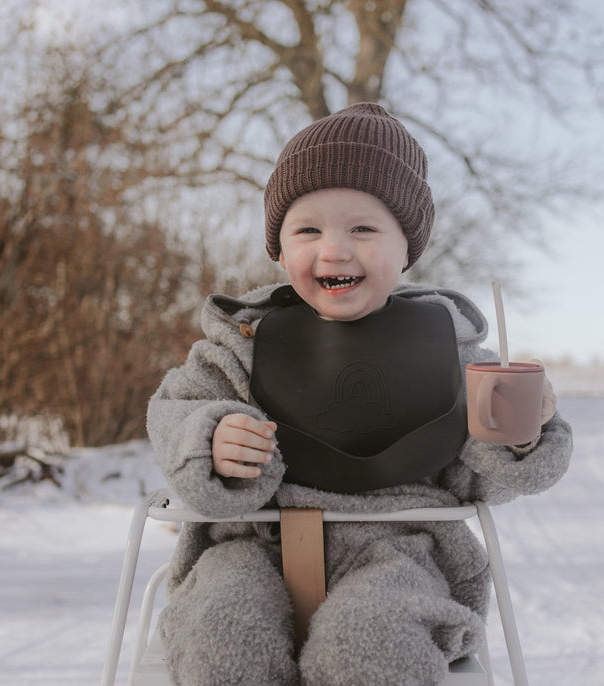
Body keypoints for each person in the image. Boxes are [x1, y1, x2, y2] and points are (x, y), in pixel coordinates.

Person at [147, 102, 573, 686]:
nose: (334, 250)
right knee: (224, 631)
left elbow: (485, 480)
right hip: (250, 544)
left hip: (398, 551)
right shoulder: (240, 344)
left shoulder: (451, 355)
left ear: (407, 249)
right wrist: (210, 439)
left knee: (373, 646)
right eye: (308, 230)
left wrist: (521, 436)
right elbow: (175, 412)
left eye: (363, 229)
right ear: (279, 247)